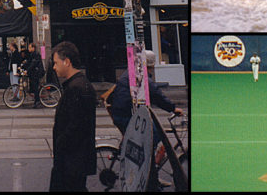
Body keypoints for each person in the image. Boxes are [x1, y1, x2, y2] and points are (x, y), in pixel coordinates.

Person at [111, 50, 184, 192]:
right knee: (152, 137)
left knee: (149, 135)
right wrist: (173, 109)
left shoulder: (132, 72)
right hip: (125, 116)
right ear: (149, 65)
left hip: (121, 114)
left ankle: (152, 174)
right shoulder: (141, 76)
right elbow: (157, 95)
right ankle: (149, 172)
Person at [49, 41, 97, 191]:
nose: (54, 67)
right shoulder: (78, 85)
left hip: (71, 162)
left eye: (56, 63)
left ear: (67, 62)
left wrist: (60, 145)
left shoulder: (77, 88)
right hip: (73, 161)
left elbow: (76, 127)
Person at [23, 43, 46, 108]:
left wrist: (27, 70)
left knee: (35, 86)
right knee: (33, 85)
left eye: (30, 47)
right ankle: (35, 98)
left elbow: (33, 64)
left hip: (37, 72)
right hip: (34, 73)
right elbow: (29, 62)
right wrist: (22, 66)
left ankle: (37, 101)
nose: (29, 49)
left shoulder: (36, 54)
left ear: (33, 48)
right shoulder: (32, 54)